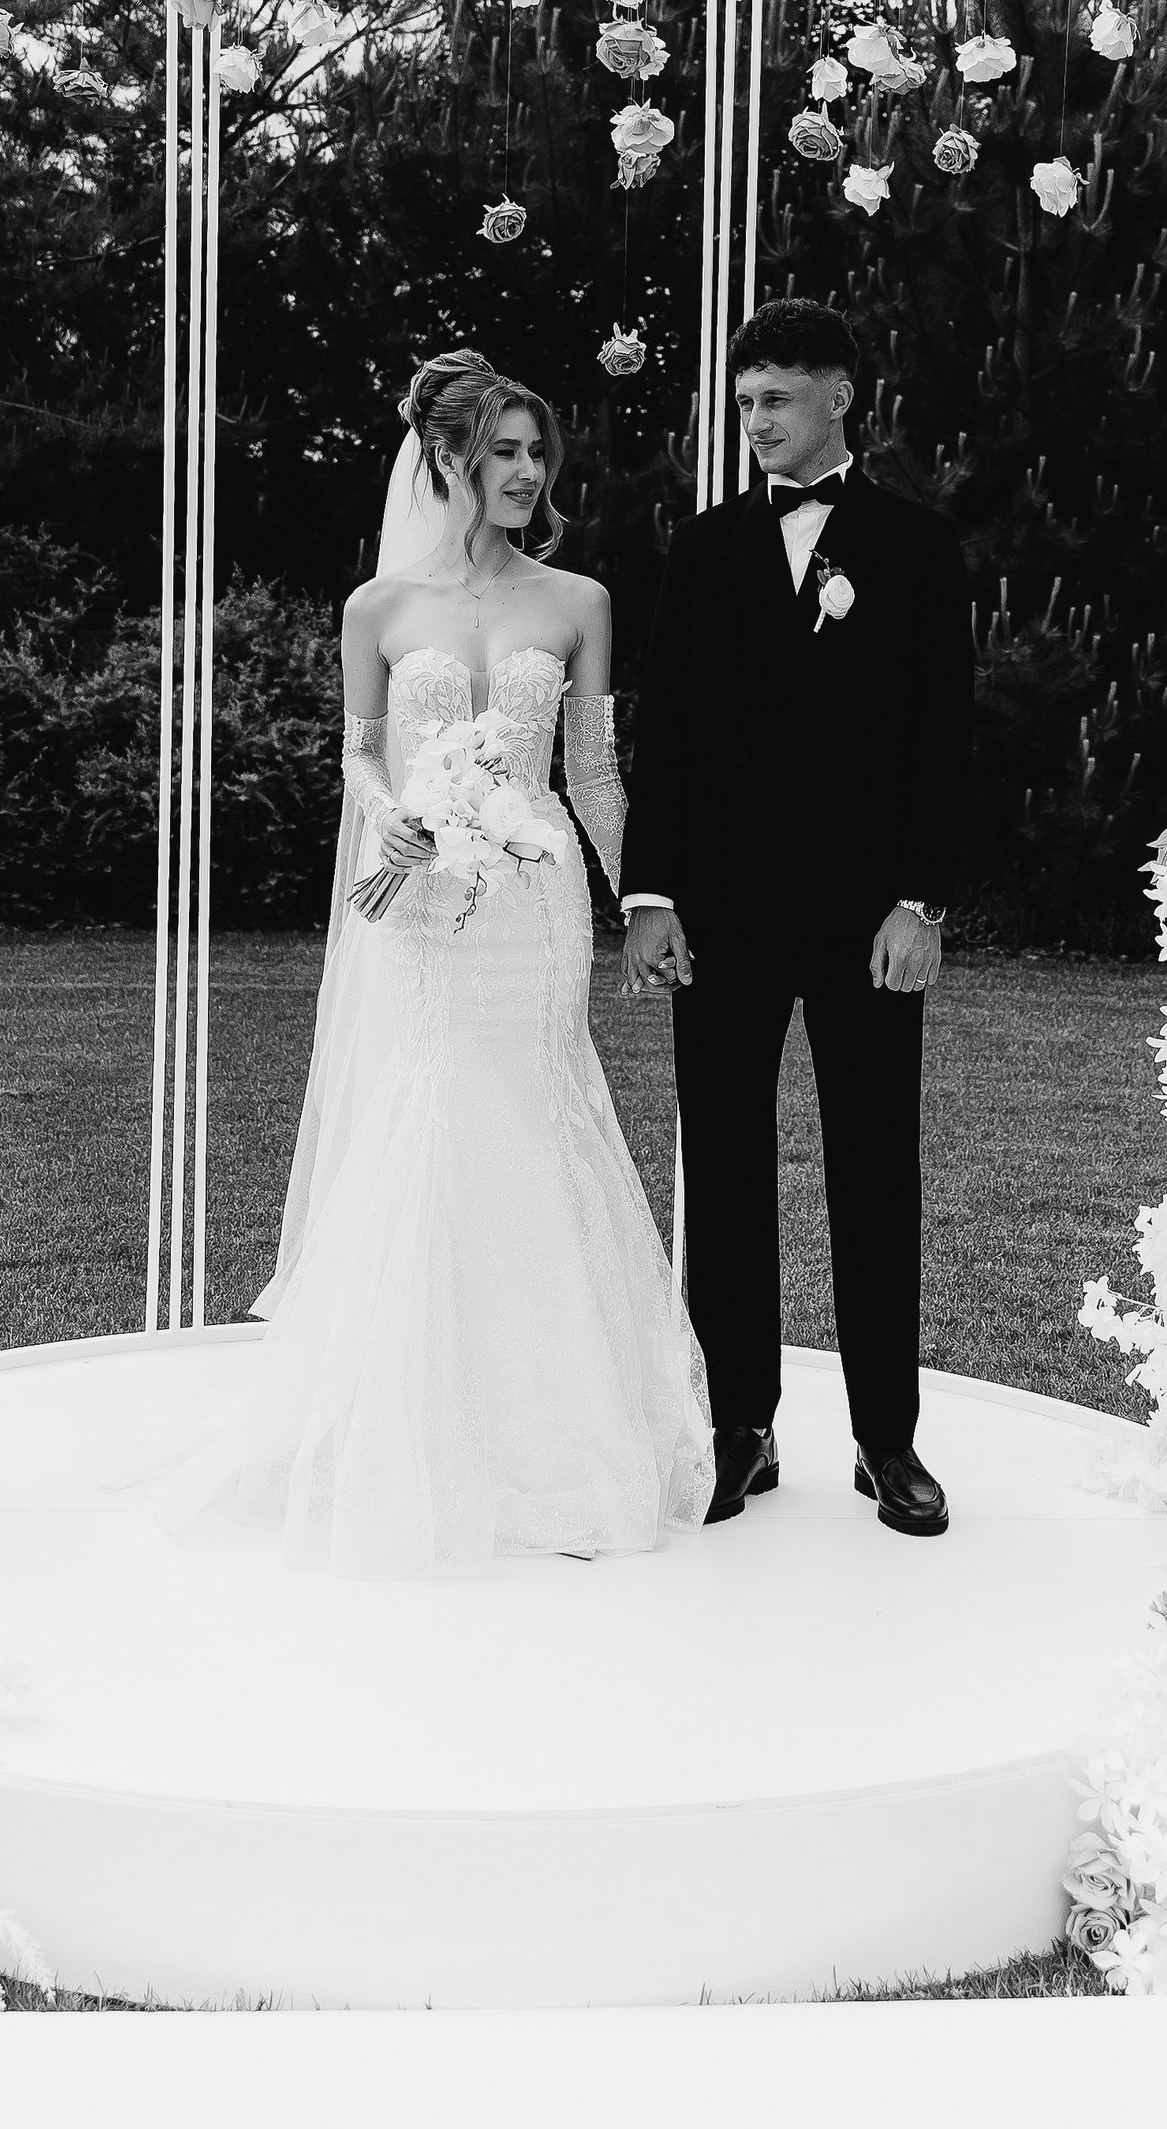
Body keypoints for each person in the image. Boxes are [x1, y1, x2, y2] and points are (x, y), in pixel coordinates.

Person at [152, 348, 714, 1576]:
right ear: (447, 458)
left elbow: (594, 773)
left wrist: (644, 901)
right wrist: (393, 816)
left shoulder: (578, 601)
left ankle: (559, 1438)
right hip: (422, 896)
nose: (526, 472)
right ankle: (408, 1423)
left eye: (536, 452)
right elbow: (358, 753)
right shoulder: (378, 608)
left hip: (537, 899)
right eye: (502, 451)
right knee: (435, 1106)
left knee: (535, 1105)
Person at [620, 299, 974, 1537]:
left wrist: (919, 899)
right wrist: (651, 897)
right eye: (745, 401)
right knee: (723, 1170)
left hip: (865, 916)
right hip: (722, 912)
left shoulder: (917, 546)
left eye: (776, 398)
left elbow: (942, 738)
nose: (757, 422)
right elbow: (665, 731)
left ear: (839, 395)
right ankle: (740, 1427)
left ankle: (888, 1440)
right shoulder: (705, 547)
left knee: (876, 1168)